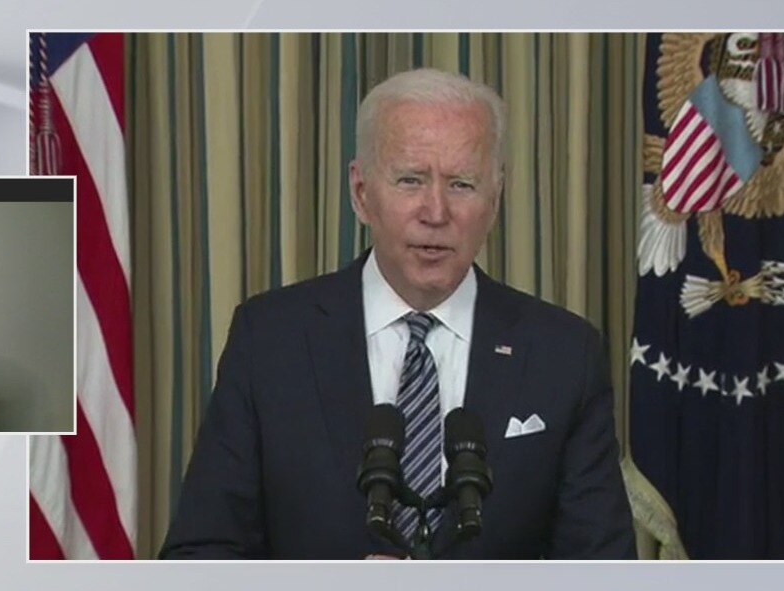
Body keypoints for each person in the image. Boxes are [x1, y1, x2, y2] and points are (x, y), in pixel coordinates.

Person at [159, 69, 635, 559]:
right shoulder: (271, 341)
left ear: (494, 200)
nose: (436, 212)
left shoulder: (563, 354)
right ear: (361, 193)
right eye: (411, 180)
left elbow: (605, 568)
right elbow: (198, 558)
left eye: (462, 184)